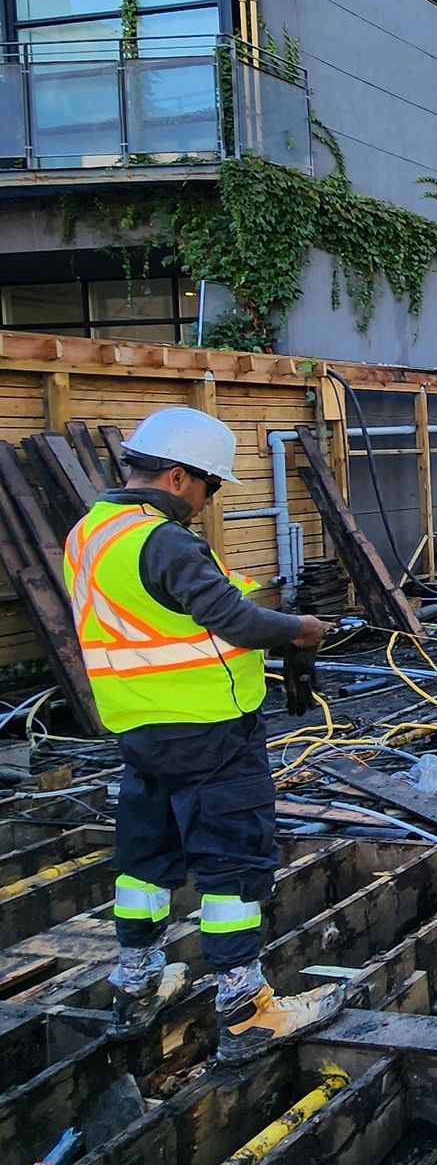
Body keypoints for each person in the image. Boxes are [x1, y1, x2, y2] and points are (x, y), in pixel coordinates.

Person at [62, 405, 345, 1057]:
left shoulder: (92, 532)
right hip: (211, 734)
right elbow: (231, 622)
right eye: (210, 486)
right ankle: (245, 1009)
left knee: (145, 860)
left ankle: (135, 985)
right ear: (182, 477)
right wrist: (299, 631)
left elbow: (153, 616)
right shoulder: (164, 539)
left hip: (141, 729)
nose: (206, 501)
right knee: (233, 867)